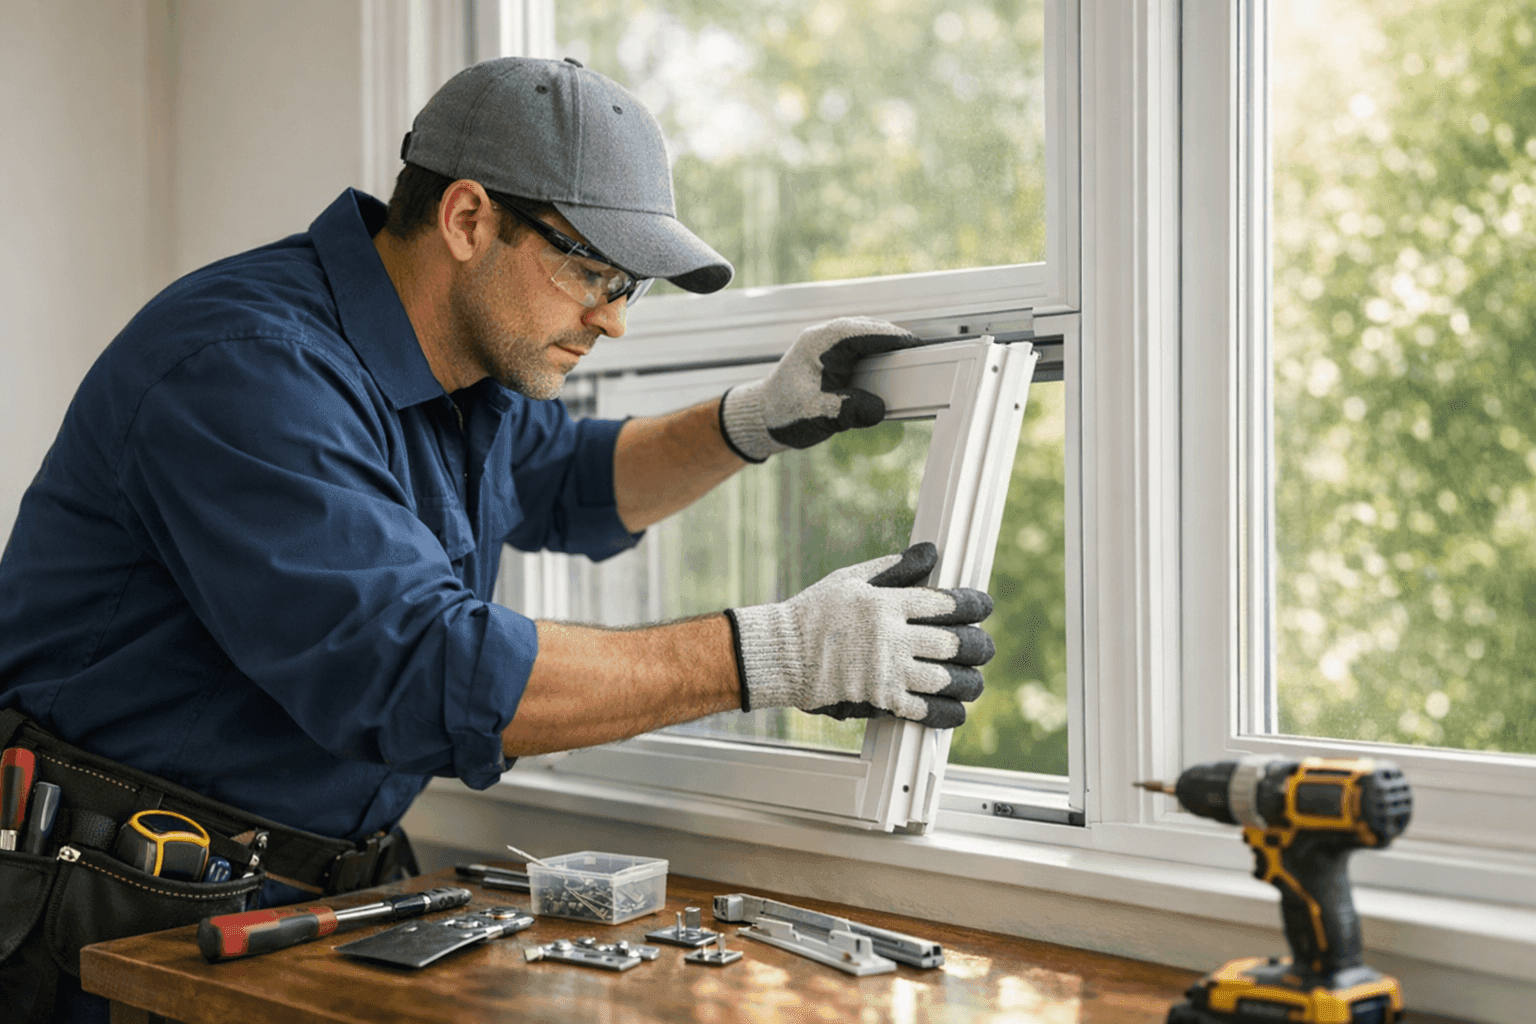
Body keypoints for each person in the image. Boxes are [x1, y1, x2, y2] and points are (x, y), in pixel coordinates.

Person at [0, 57, 993, 1020]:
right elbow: (416, 669)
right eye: (591, 271)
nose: (612, 322)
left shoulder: (461, 370)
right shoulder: (249, 370)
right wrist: (778, 652)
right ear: (468, 218)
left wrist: (753, 419)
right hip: (107, 912)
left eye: (630, 287)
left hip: (305, 892)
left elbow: (574, 481)